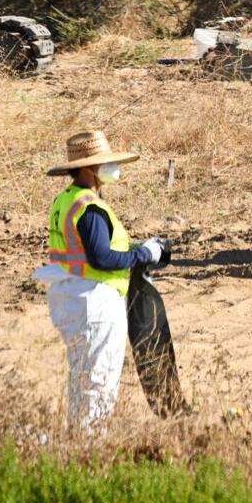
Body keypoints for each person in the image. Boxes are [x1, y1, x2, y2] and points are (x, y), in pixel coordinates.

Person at [33, 130, 165, 430]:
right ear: (87, 168)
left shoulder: (66, 199)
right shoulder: (89, 207)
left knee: (83, 379)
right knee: (97, 383)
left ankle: (76, 444)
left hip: (74, 297)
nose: (111, 167)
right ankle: (87, 448)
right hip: (95, 302)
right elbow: (101, 258)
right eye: (103, 162)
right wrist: (145, 254)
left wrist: (136, 250)